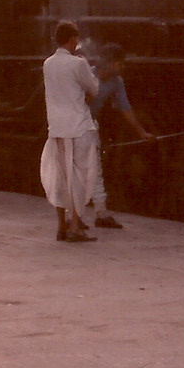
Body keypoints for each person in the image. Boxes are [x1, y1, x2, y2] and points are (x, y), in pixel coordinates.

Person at [39, 20, 99, 243]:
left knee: (60, 177)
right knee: (80, 177)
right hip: (79, 126)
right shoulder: (78, 63)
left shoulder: (48, 64)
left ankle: (61, 226)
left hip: (56, 127)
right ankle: (75, 226)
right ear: (73, 38)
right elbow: (93, 88)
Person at [87, 43, 154, 229]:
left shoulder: (116, 81)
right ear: (108, 62)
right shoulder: (88, 75)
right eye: (119, 63)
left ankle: (101, 213)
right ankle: (72, 218)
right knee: (78, 169)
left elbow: (125, 108)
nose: (122, 67)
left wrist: (141, 132)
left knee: (95, 169)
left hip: (91, 124)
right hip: (76, 125)